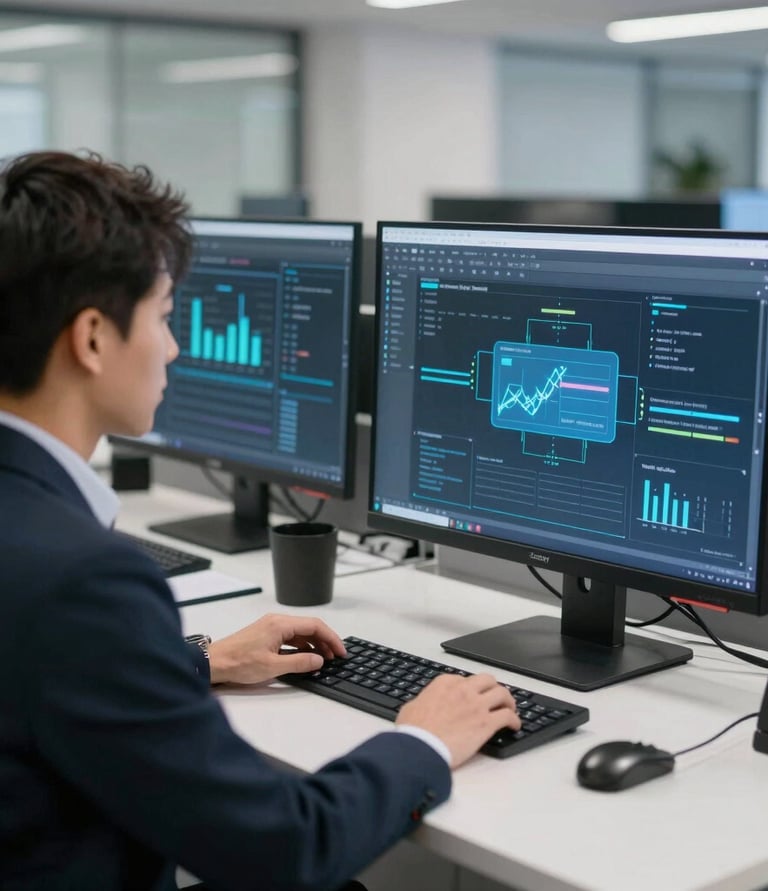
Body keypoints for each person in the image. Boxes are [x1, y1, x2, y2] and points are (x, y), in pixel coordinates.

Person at [0, 150, 520, 891]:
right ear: (91, 338)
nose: (174, 346)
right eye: (164, 317)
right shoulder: (84, 580)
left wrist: (194, 662)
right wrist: (425, 740)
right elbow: (285, 850)